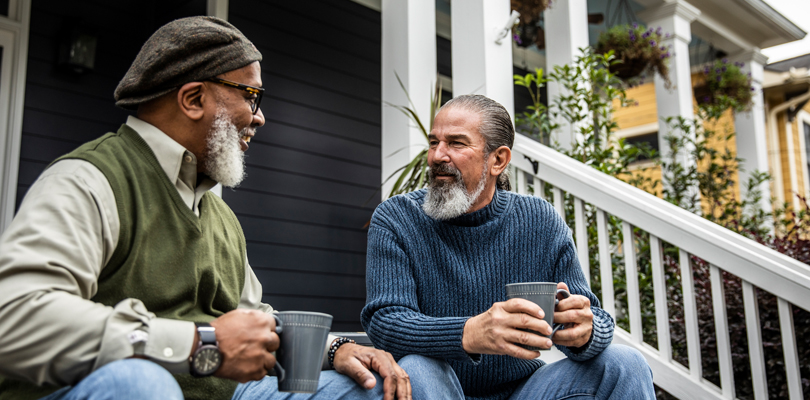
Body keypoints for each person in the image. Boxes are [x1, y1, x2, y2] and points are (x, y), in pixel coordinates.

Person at [0, 16, 412, 400]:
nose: (261, 118)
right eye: (251, 96)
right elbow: (13, 318)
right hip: (107, 389)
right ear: (194, 98)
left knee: (384, 383)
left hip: (226, 392)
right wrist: (200, 344)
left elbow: (256, 326)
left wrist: (337, 348)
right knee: (140, 383)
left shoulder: (220, 216)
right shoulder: (90, 180)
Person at [361, 94, 656, 400]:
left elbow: (592, 313)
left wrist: (586, 332)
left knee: (626, 363)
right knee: (419, 367)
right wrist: (470, 333)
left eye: (456, 143)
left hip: (526, 392)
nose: (437, 155)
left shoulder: (539, 220)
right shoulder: (396, 217)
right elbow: (385, 321)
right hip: (435, 388)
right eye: (434, 142)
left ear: (498, 160)